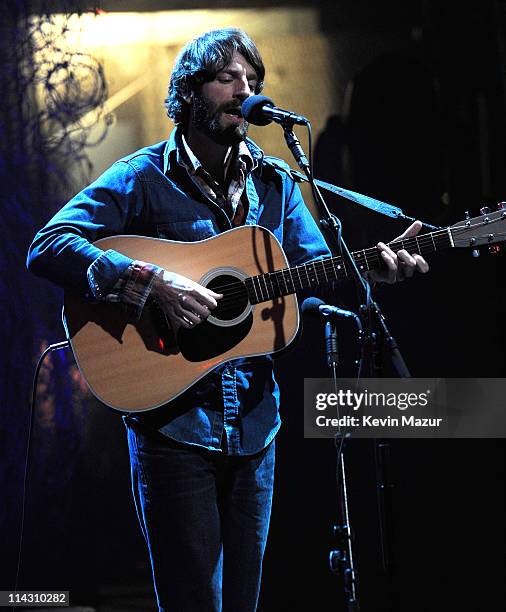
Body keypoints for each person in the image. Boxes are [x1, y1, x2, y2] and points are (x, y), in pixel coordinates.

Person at [27, 28, 429, 611]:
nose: (245, 91)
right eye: (228, 78)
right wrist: (150, 283)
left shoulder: (276, 183)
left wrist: (370, 274)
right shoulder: (142, 177)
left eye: (253, 81)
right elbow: (50, 243)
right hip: (173, 426)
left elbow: (307, 283)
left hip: (256, 426)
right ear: (190, 93)